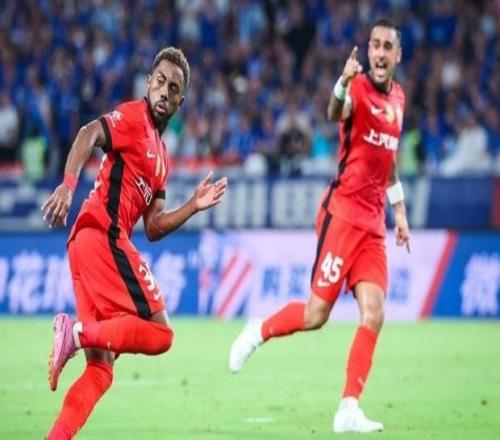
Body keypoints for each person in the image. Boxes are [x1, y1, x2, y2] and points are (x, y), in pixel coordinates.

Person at [229, 18, 410, 434]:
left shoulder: (399, 98)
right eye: (375, 45)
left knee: (374, 313)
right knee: (316, 315)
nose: (380, 53)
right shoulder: (357, 88)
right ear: (369, 50)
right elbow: (333, 112)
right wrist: (341, 82)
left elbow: (389, 161)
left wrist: (399, 212)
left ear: (398, 55)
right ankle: (259, 330)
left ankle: (348, 408)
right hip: (342, 215)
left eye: (388, 46)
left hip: (373, 226)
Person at [42, 47, 227, 439]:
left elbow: (154, 227)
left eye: (173, 88)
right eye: (159, 81)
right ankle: (74, 334)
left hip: (87, 244)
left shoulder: (162, 159)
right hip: (102, 234)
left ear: (180, 101)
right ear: (148, 83)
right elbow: (88, 133)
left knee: (101, 369)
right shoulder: (133, 117)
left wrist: (192, 206)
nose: (164, 91)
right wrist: (68, 185)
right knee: (161, 334)